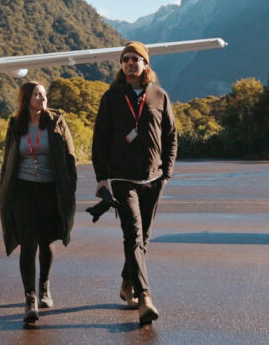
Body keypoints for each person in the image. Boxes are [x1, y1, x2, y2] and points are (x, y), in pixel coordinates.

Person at [92, 41, 176, 325]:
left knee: (144, 238)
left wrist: (167, 173)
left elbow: (171, 135)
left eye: (135, 58)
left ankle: (127, 282)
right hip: (121, 177)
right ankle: (145, 297)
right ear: (121, 65)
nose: (129, 63)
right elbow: (99, 139)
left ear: (145, 64)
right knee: (133, 235)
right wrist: (101, 177)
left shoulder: (159, 95)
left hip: (153, 178)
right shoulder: (112, 97)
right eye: (125, 59)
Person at [0, 81, 77, 325]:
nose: (43, 98)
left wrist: (68, 188)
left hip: (50, 190)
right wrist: (5, 192)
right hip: (23, 191)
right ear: (26, 99)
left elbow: (70, 157)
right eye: (37, 94)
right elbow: (7, 161)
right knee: (28, 243)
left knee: (46, 240)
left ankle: (44, 286)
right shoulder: (16, 125)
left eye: (44, 94)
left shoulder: (56, 123)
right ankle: (29, 298)